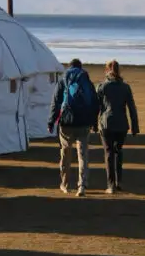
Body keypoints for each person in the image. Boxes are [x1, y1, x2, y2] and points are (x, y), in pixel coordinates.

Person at [48, 58, 99, 197]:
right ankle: (81, 185)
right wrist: (94, 122)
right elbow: (94, 102)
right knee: (83, 155)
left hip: (66, 122)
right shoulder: (86, 81)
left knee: (66, 153)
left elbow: (56, 101)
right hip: (83, 122)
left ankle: (64, 184)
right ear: (81, 67)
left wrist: (51, 121)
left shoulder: (63, 79)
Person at [95, 59, 139, 194]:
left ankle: (111, 185)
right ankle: (118, 181)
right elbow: (132, 108)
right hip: (121, 124)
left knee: (108, 153)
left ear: (107, 70)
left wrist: (93, 124)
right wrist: (135, 126)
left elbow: (96, 107)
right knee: (118, 151)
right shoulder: (125, 87)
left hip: (106, 123)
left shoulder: (102, 86)